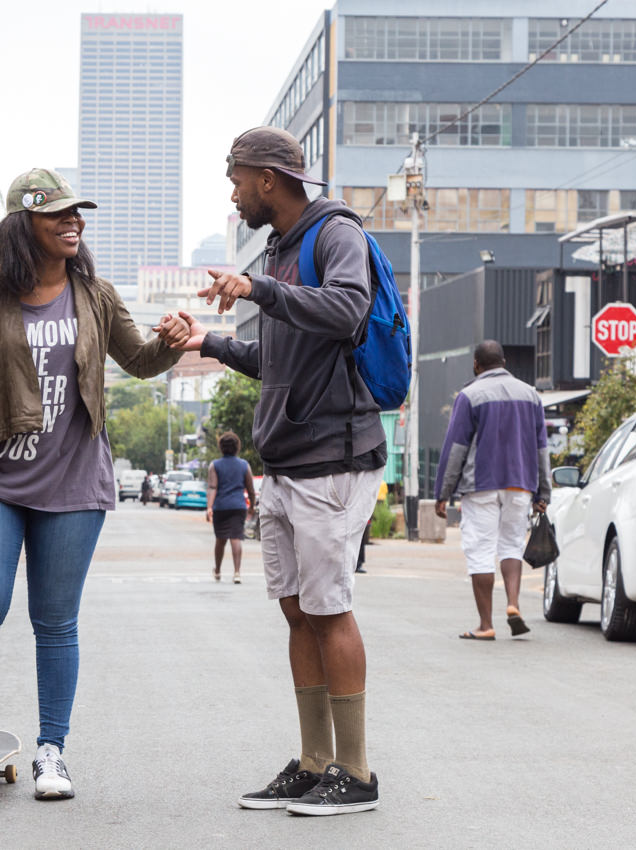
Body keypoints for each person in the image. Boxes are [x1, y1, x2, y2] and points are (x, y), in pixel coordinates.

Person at [0, 168, 188, 800]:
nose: (74, 222)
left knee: (55, 620)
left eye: (78, 215)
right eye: (59, 215)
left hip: (73, 482)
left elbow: (138, 360)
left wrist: (173, 342)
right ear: (27, 225)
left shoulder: (94, 294)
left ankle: (53, 750)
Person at [173, 126, 385, 815]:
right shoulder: (281, 249)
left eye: (236, 180)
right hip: (286, 461)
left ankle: (355, 772)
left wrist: (260, 289)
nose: (233, 195)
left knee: (329, 609)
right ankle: (314, 760)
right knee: (297, 612)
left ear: (268, 178)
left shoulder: (334, 233)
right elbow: (276, 360)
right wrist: (205, 341)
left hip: (334, 454)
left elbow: (350, 308)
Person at [434, 340, 550, 641]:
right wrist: (543, 493)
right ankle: (512, 604)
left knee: (480, 550)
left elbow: (455, 449)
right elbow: (541, 448)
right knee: (511, 545)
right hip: (520, 483)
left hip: (481, 484)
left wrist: (443, 492)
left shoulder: (469, 396)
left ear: (476, 364)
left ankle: (486, 625)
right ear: (505, 361)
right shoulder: (531, 395)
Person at [206, 431, 255, 583]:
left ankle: (218, 571)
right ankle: (237, 573)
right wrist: (252, 506)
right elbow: (251, 488)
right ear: (237, 447)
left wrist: (209, 507)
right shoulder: (244, 465)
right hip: (238, 506)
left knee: (220, 539)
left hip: (221, 506)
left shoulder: (214, 465)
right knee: (236, 538)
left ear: (221, 447)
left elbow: (213, 487)